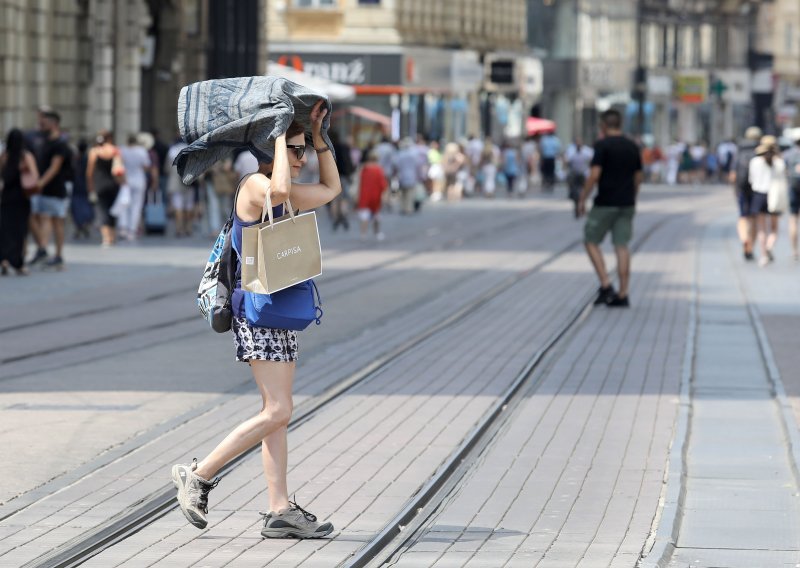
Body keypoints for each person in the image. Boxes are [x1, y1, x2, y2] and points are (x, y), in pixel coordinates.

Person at [171, 100, 341, 539]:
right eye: (295, 151)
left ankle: (279, 509)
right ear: (273, 149)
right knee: (280, 410)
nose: (302, 159)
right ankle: (199, 474)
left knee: (275, 414)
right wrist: (282, 138)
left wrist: (319, 139)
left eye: (303, 152)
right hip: (256, 313)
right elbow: (280, 192)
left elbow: (331, 190)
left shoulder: (284, 184)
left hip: (278, 311)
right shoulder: (253, 185)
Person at [577, 109, 643, 308]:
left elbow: (594, 175)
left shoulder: (602, 145)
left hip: (605, 203)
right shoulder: (633, 146)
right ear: (620, 124)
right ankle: (623, 294)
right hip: (626, 203)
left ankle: (606, 284)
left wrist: (582, 198)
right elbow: (639, 177)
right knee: (622, 246)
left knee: (590, 240)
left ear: (603, 126)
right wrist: (633, 196)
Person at [28, 109, 72, 269]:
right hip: (43, 188)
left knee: (55, 220)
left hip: (55, 187)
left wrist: (39, 183)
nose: (40, 126)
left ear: (53, 124)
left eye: (44, 123)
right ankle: (44, 249)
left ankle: (53, 252)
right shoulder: (43, 141)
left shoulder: (60, 143)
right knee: (40, 217)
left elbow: (55, 167)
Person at [0, 128, 39, 275]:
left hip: (6, 196)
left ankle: (3, 259)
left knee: (4, 229)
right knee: (20, 230)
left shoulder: (5, 156)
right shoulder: (26, 157)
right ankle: (18, 262)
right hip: (22, 197)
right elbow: (35, 176)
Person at [748, 139, 785, 267]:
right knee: (774, 228)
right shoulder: (779, 162)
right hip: (774, 195)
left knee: (761, 228)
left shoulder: (755, 162)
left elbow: (751, 180)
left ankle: (763, 255)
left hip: (759, 195)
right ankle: (769, 245)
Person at [730, 126, 761, 260]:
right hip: (757, 190)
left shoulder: (739, 150)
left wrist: (735, 190)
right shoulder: (760, 150)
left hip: (742, 189)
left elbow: (732, 176)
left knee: (743, 217)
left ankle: (744, 239)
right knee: (754, 218)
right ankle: (751, 248)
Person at [86, 130, 122, 247]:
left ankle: (106, 238)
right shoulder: (115, 150)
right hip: (113, 184)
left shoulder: (94, 152)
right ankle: (113, 236)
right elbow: (119, 169)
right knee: (113, 210)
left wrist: (90, 188)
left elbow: (89, 172)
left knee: (102, 211)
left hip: (99, 184)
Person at [118, 133, 152, 241]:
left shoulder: (122, 150)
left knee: (124, 204)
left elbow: (119, 164)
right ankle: (132, 231)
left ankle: (123, 228)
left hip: (126, 180)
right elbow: (146, 166)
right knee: (136, 206)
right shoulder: (142, 151)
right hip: (139, 180)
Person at [166, 138, 196, 237]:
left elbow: (167, 167)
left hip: (175, 181)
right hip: (189, 180)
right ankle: (188, 227)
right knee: (189, 205)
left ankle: (179, 229)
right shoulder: (192, 149)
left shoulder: (172, 150)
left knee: (178, 205)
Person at [357, 150, 388, 240]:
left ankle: (363, 233)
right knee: (376, 215)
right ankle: (377, 233)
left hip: (364, 195)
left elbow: (360, 182)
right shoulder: (379, 169)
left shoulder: (364, 169)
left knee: (364, 216)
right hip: (375, 196)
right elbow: (383, 184)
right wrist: (385, 195)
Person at [69, 140, 94, 239]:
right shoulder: (87, 159)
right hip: (84, 185)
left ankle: (79, 225)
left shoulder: (75, 159)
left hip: (76, 185)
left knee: (76, 207)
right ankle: (83, 224)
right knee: (86, 206)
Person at [565, 139, 594, 217]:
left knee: (584, 190)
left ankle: (583, 204)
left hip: (584, 174)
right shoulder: (571, 151)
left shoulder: (587, 151)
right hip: (574, 174)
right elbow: (567, 161)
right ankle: (576, 203)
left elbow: (592, 160)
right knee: (573, 190)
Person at [783, 134, 800, 260]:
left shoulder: (788, 154)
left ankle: (794, 251)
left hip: (793, 189)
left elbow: (784, 172)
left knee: (793, 219)